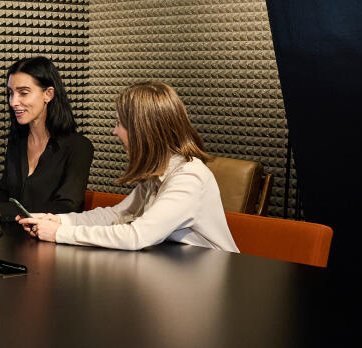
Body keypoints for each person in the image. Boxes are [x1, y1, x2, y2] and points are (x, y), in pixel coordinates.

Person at [19, 81, 238, 252]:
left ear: (142, 129)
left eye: (119, 123)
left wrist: (60, 233)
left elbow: (137, 236)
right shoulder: (158, 172)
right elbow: (116, 215)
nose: (115, 132)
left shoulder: (188, 177)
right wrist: (57, 220)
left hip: (211, 277)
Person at [0, 55, 92, 222]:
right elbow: (4, 200)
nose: (13, 102)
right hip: (14, 239)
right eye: (11, 93)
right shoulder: (17, 142)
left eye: (23, 93)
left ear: (48, 94)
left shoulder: (79, 147)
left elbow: (65, 208)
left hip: (52, 243)